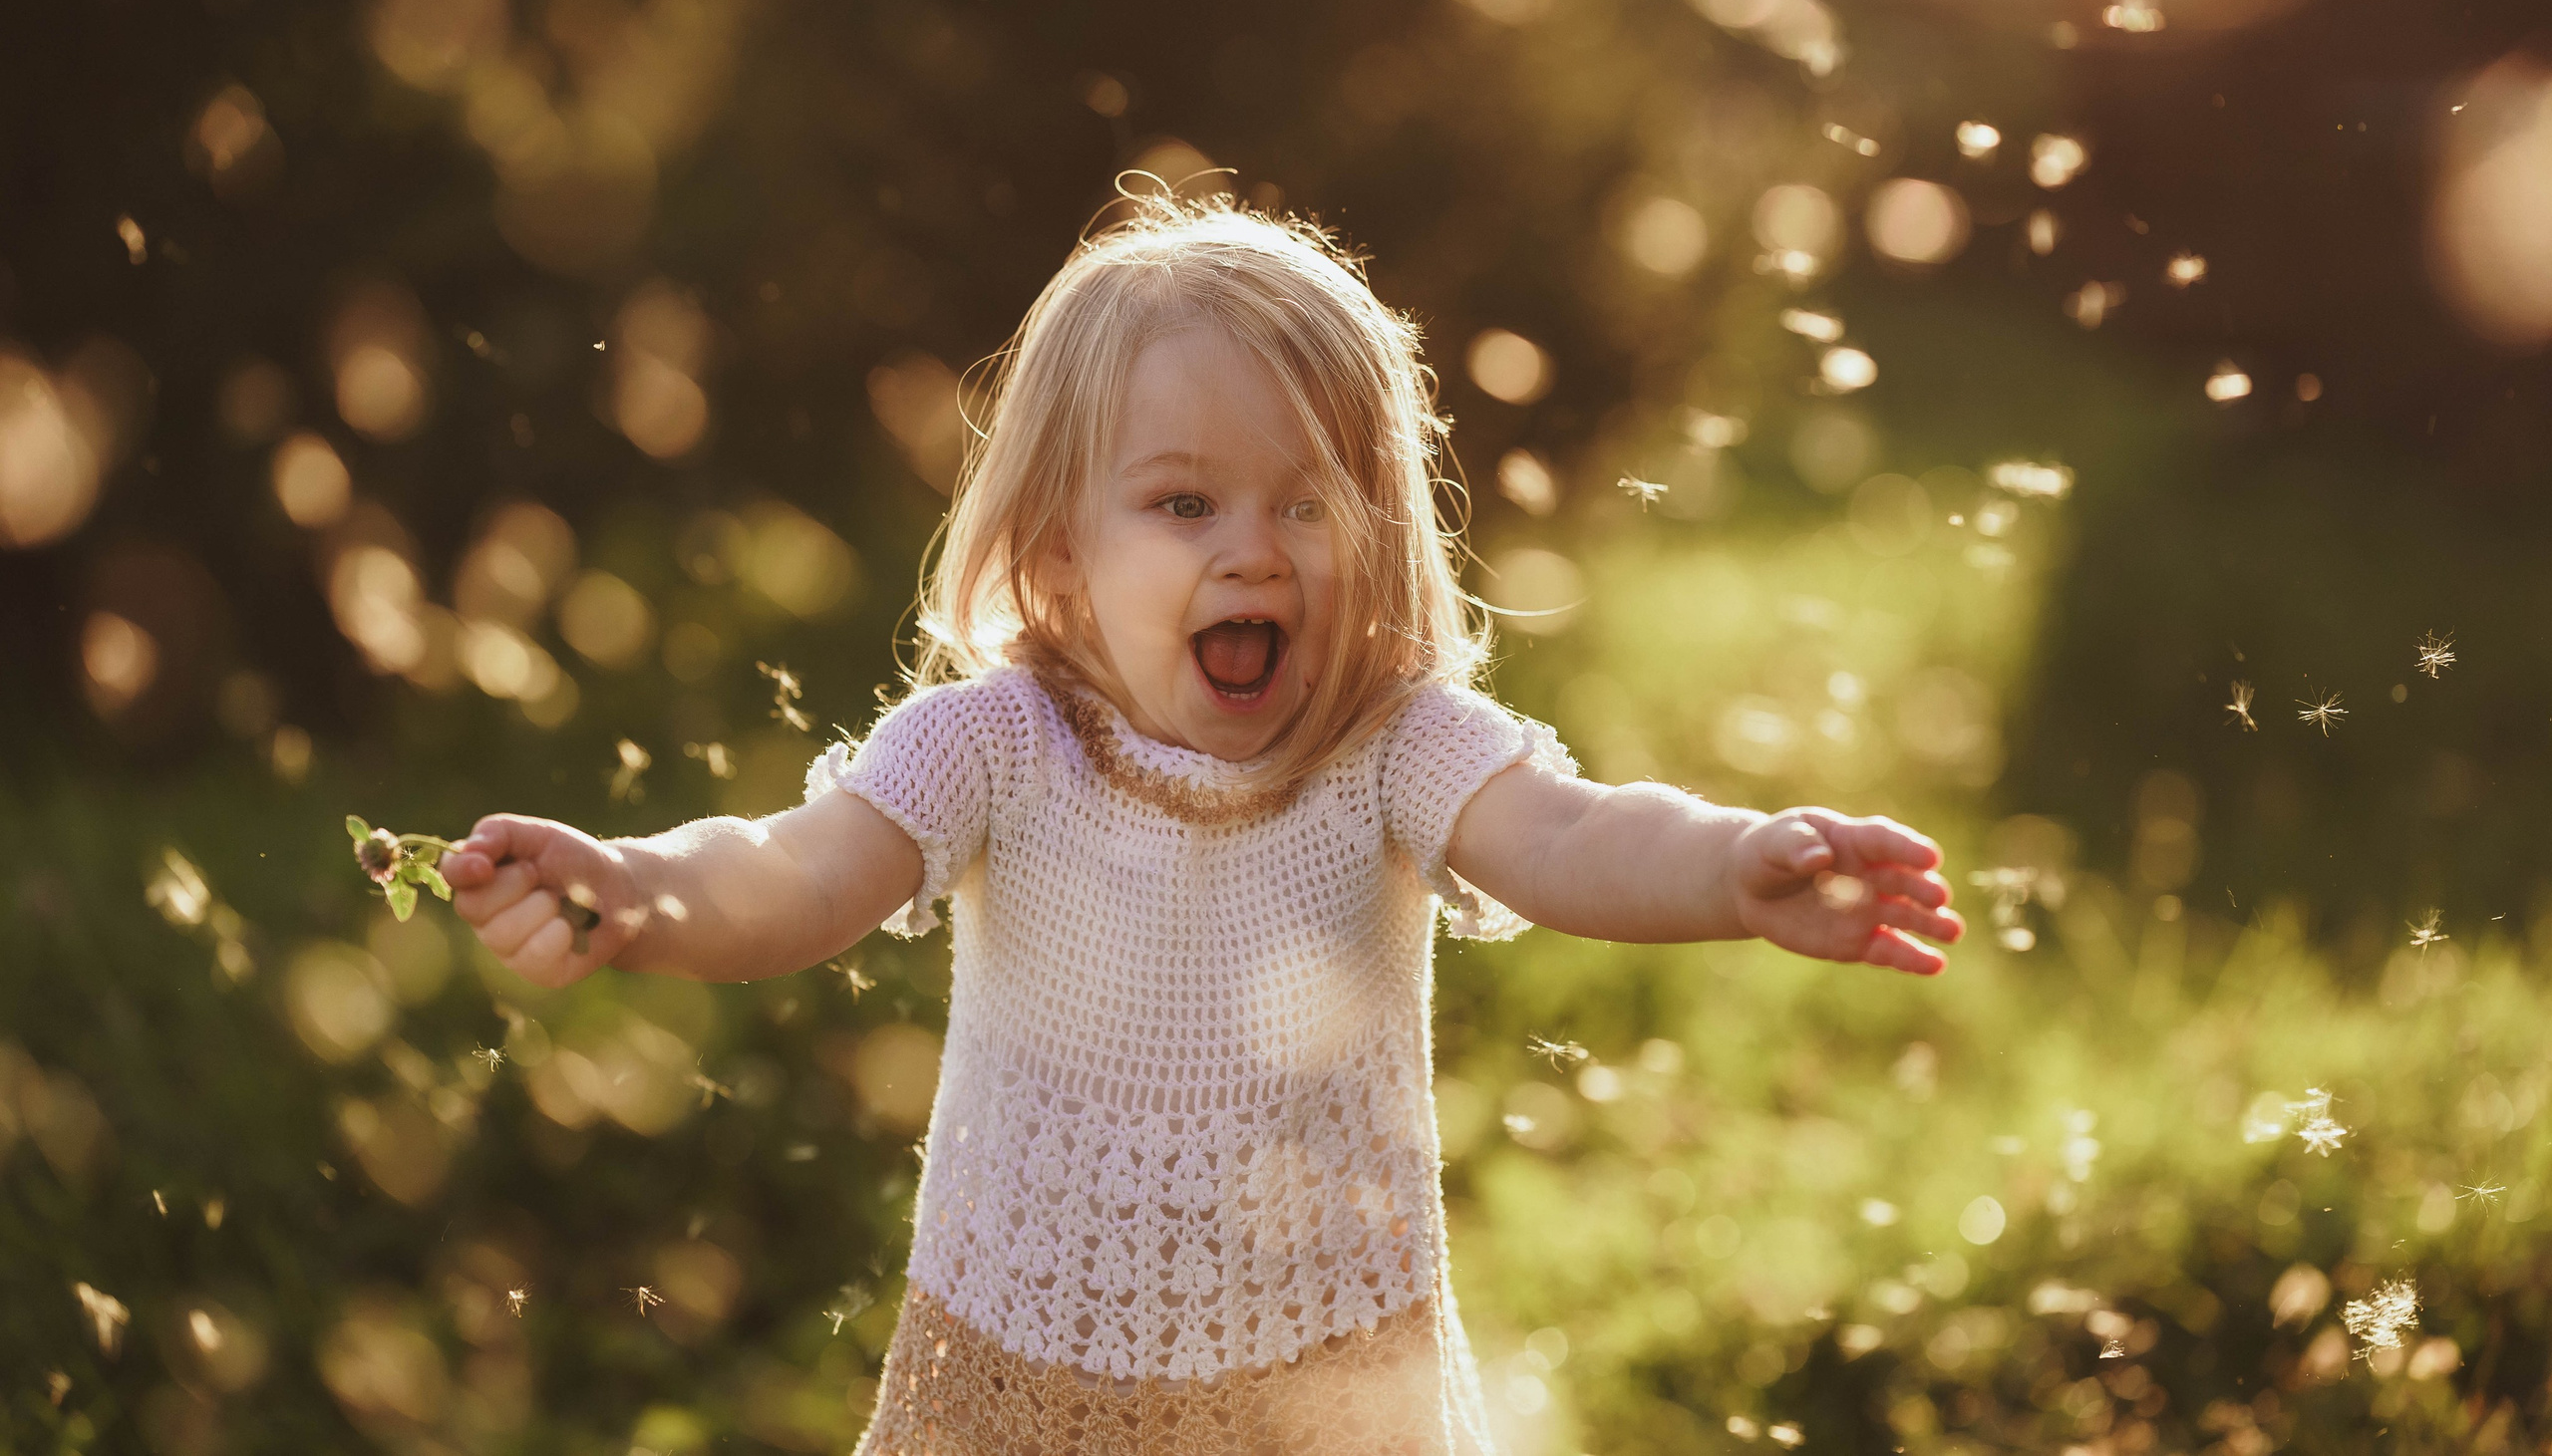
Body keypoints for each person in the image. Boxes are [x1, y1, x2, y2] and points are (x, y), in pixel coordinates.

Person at [443, 194, 1964, 1455]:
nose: (1256, 554)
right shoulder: (995, 745)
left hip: (1328, 1377)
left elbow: (1571, 837)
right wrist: (635, 889)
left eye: (1309, 504)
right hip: (1026, 1370)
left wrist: (1732, 867)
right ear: (1058, 551)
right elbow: (794, 871)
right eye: (1185, 506)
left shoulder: (1389, 745)